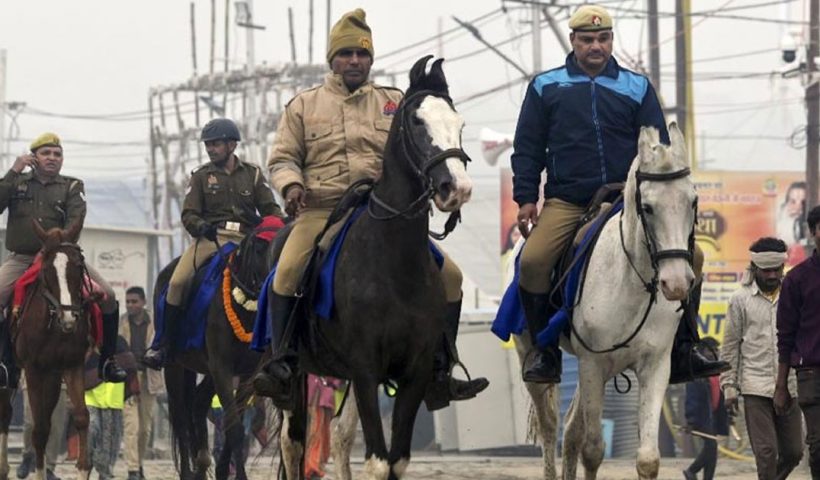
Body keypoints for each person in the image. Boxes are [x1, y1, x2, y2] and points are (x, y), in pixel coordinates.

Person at [252, 8, 488, 408]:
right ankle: (284, 362)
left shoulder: (395, 103)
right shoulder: (303, 106)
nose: (355, 62)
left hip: (382, 213)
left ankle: (440, 368)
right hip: (321, 211)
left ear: (371, 60)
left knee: (451, 277)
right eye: (346, 54)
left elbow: (420, 153)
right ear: (333, 60)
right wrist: (291, 185)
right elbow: (282, 159)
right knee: (288, 270)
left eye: (362, 55)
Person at [510, 4, 729, 384]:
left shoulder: (636, 87)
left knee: (693, 255)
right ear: (573, 41)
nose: (596, 46)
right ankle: (543, 353)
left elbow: (657, 150)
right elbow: (527, 147)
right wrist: (526, 197)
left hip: (625, 202)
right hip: (568, 199)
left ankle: (684, 346)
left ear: (611, 40)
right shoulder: (546, 86)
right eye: (587, 39)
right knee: (533, 261)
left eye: (603, 38)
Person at [142, 118, 283, 368]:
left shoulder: (253, 174)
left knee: (278, 280)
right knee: (176, 282)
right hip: (211, 239)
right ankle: (164, 344)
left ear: (231, 145)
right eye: (208, 145)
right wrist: (200, 227)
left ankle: (284, 344)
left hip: (248, 242)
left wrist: (282, 222)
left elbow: (270, 209)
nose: (210, 149)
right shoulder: (200, 177)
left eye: (216, 144)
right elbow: (188, 214)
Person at [0, 133, 126, 387]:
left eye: (57, 154)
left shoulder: (72, 186)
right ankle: (3, 362)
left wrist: (55, 245)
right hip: (23, 258)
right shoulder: (18, 183)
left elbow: (75, 220)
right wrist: (13, 171)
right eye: (46, 153)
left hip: (60, 258)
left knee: (110, 296)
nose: (52, 158)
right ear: (34, 157)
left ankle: (108, 360)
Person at [720, 237, 803, 480]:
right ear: (754, 268)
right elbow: (730, 346)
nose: (771, 276)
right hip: (754, 386)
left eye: (776, 270)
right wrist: (729, 387)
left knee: (794, 452)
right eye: (766, 270)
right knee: (766, 453)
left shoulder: (794, 295)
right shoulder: (739, 299)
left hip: (790, 385)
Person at [775, 204, 820, 478]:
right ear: (814, 233)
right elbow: (785, 336)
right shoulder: (797, 280)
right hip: (812, 375)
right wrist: (781, 386)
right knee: (818, 445)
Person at [121, 286, 164, 480]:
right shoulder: (121, 323)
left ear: (143, 302)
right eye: (128, 301)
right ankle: (132, 469)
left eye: (134, 301)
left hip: (149, 379)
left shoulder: (156, 323)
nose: (130, 305)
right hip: (128, 380)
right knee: (132, 427)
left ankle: (138, 465)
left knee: (145, 428)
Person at [684, 337, 729, 480]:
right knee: (711, 446)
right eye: (712, 350)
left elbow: (720, 395)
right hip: (701, 417)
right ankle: (691, 471)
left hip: (713, 416)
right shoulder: (696, 371)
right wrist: (691, 420)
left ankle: (707, 477)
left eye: (717, 350)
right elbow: (692, 398)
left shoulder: (715, 369)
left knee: (712, 450)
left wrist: (728, 416)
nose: (715, 353)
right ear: (702, 352)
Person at [16, 377, 67, 480]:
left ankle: (49, 467)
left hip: (59, 378)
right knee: (30, 421)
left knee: (56, 425)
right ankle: (28, 456)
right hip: (32, 376)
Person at [304, 375, 343, 480]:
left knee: (324, 434)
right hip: (311, 394)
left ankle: (317, 464)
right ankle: (311, 467)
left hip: (325, 396)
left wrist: (336, 383)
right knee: (314, 432)